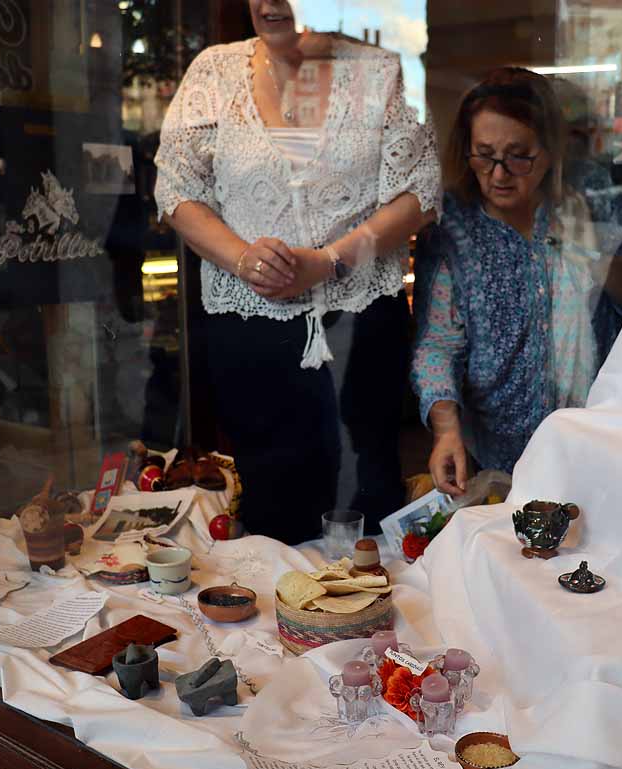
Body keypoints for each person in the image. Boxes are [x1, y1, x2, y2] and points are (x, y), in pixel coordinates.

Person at [155, 0, 440, 542]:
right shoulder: (213, 72)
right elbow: (176, 191)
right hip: (250, 330)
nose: (268, 4)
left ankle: (365, 619)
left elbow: (418, 195)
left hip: (360, 327)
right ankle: (278, 624)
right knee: (269, 503)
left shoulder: (382, 73)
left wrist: (330, 262)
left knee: (367, 496)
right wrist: (241, 257)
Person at [411, 68, 618, 496]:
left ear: (551, 151)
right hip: (491, 456)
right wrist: (446, 430)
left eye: (519, 155)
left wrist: (593, 255)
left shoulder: (585, 208)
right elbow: (437, 344)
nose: (500, 174)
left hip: (590, 443)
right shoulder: (453, 228)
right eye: (484, 155)